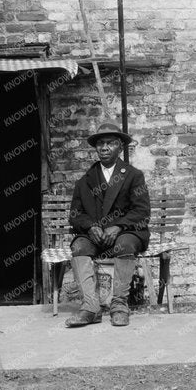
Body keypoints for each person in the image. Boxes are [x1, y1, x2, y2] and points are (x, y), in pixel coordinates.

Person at [64, 119, 150, 328]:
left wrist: (119, 226)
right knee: (79, 246)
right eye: (100, 144)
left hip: (126, 232)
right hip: (95, 235)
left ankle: (119, 305)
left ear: (120, 147)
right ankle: (91, 308)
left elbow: (141, 212)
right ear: (95, 148)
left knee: (126, 244)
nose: (104, 148)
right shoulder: (85, 180)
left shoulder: (133, 176)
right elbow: (75, 215)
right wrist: (90, 227)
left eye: (110, 143)